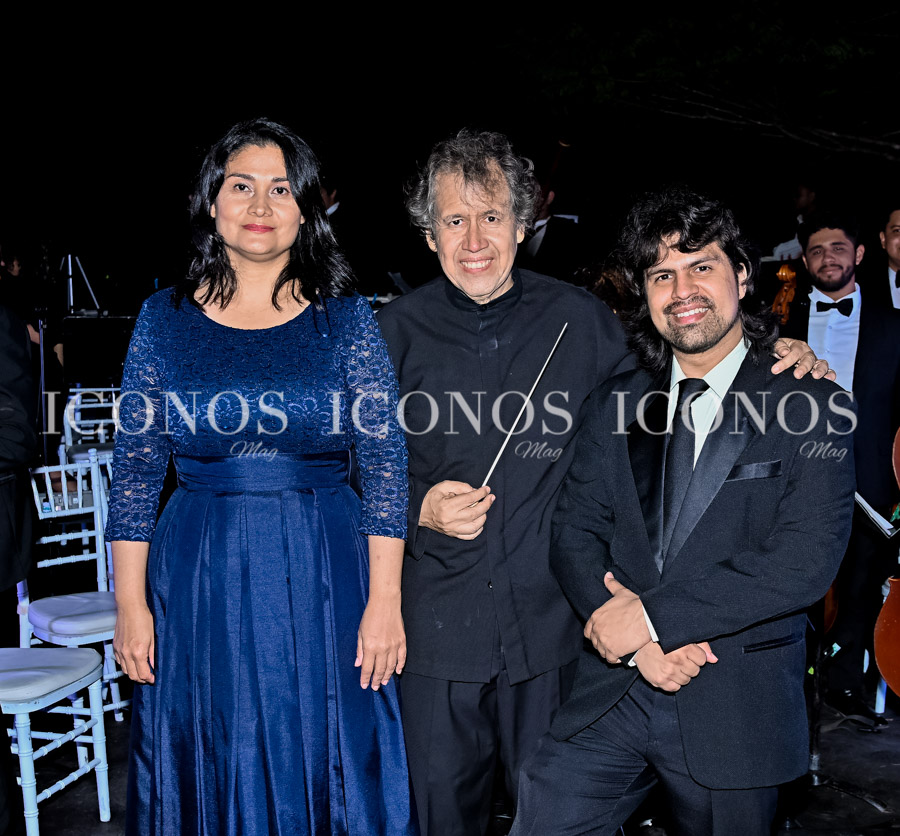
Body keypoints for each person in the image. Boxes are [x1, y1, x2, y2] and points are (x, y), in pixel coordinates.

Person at [375, 129, 832, 836]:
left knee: (556, 812)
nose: (475, 240)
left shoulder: (579, 319)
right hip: (437, 634)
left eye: (492, 216)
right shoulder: (386, 335)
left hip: (559, 635)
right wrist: (417, 511)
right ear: (429, 235)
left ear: (523, 225)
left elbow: (684, 359)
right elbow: (342, 474)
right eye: (454, 220)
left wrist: (775, 350)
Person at [509, 186, 856, 836]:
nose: (682, 289)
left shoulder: (812, 402)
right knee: (545, 808)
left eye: (701, 265)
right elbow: (574, 532)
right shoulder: (614, 402)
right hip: (616, 693)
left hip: (737, 698)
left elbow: (805, 560)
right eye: (661, 274)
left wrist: (653, 620)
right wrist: (639, 647)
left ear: (743, 275)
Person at [105, 117, 417, 835]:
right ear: (211, 201)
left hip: (325, 569)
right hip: (198, 573)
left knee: (328, 746)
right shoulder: (163, 319)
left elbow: (385, 466)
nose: (260, 204)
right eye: (241, 186)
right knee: (213, 739)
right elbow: (136, 473)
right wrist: (129, 604)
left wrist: (385, 600)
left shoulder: (346, 320)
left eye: (280, 189)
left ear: (305, 210)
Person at [780, 209, 900, 725]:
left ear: (860, 254)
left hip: (869, 473)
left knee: (860, 583)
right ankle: (791, 684)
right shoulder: (779, 323)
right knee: (795, 580)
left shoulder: (893, 325)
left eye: (837, 248)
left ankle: (844, 682)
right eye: (816, 250)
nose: (827, 258)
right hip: (797, 474)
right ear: (805, 260)